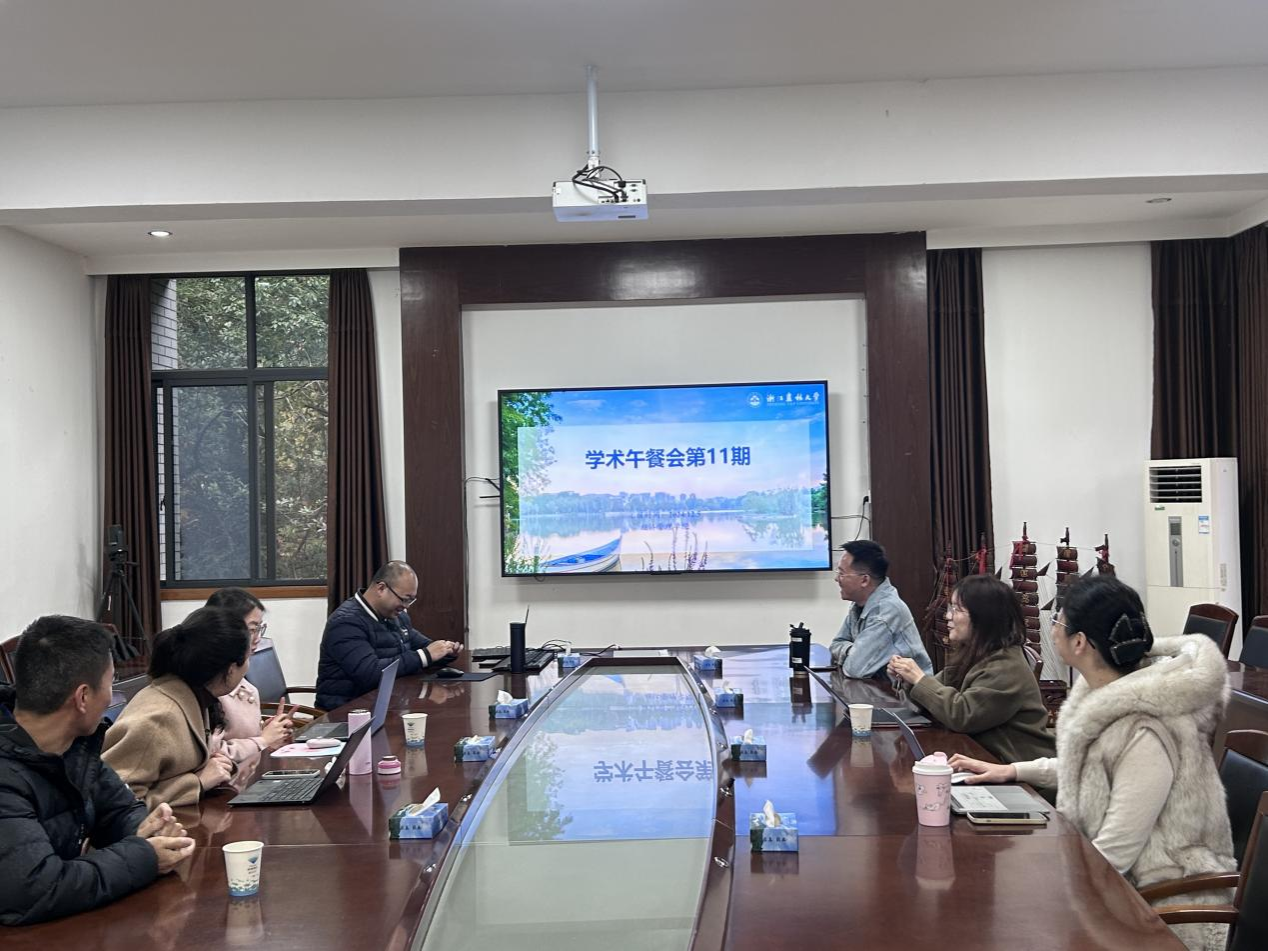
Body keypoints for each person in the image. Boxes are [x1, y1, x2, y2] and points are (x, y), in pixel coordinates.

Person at [950, 576, 1234, 951]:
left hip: (1160, 904)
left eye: (1058, 621)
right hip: (1115, 884)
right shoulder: (1109, 694)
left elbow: (1116, 851)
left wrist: (1040, 875)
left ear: (1080, 642)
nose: (1053, 629)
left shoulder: (1146, 728)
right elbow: (1094, 767)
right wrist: (1013, 771)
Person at [0, 616, 194, 926]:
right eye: (110, 683)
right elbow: (34, 890)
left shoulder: (74, 744)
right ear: (83, 697)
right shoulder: (7, 775)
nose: (111, 696)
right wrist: (144, 856)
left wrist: (151, 831)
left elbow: (119, 809)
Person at [887, 574, 1055, 762]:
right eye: (950, 608)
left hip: (1013, 766)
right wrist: (908, 679)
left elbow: (962, 715)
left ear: (984, 617)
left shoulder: (1006, 666)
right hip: (981, 756)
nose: (948, 616)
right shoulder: (975, 654)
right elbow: (936, 695)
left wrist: (919, 678)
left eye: (957, 609)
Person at [102, 607, 252, 810]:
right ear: (231, 669)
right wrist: (196, 783)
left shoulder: (195, 695)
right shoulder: (159, 718)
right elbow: (112, 806)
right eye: (248, 657)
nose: (249, 666)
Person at [316, 561, 463, 709]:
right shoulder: (346, 622)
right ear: (381, 588)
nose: (406, 606)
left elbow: (423, 646)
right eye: (404, 599)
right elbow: (370, 673)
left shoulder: (396, 616)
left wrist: (445, 651)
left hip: (388, 705)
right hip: (347, 712)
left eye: (411, 600)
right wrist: (425, 655)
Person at [204, 587, 294, 766]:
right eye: (252, 629)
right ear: (224, 628)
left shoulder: (241, 679)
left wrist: (269, 730)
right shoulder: (209, 684)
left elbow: (241, 735)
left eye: (259, 628)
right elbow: (209, 754)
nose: (257, 638)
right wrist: (263, 740)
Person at [828, 540, 932, 679]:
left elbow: (854, 669)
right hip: (876, 686)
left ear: (864, 580)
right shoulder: (858, 605)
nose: (836, 579)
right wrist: (852, 651)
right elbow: (835, 645)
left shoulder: (886, 611)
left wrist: (853, 654)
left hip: (905, 691)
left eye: (841, 573)